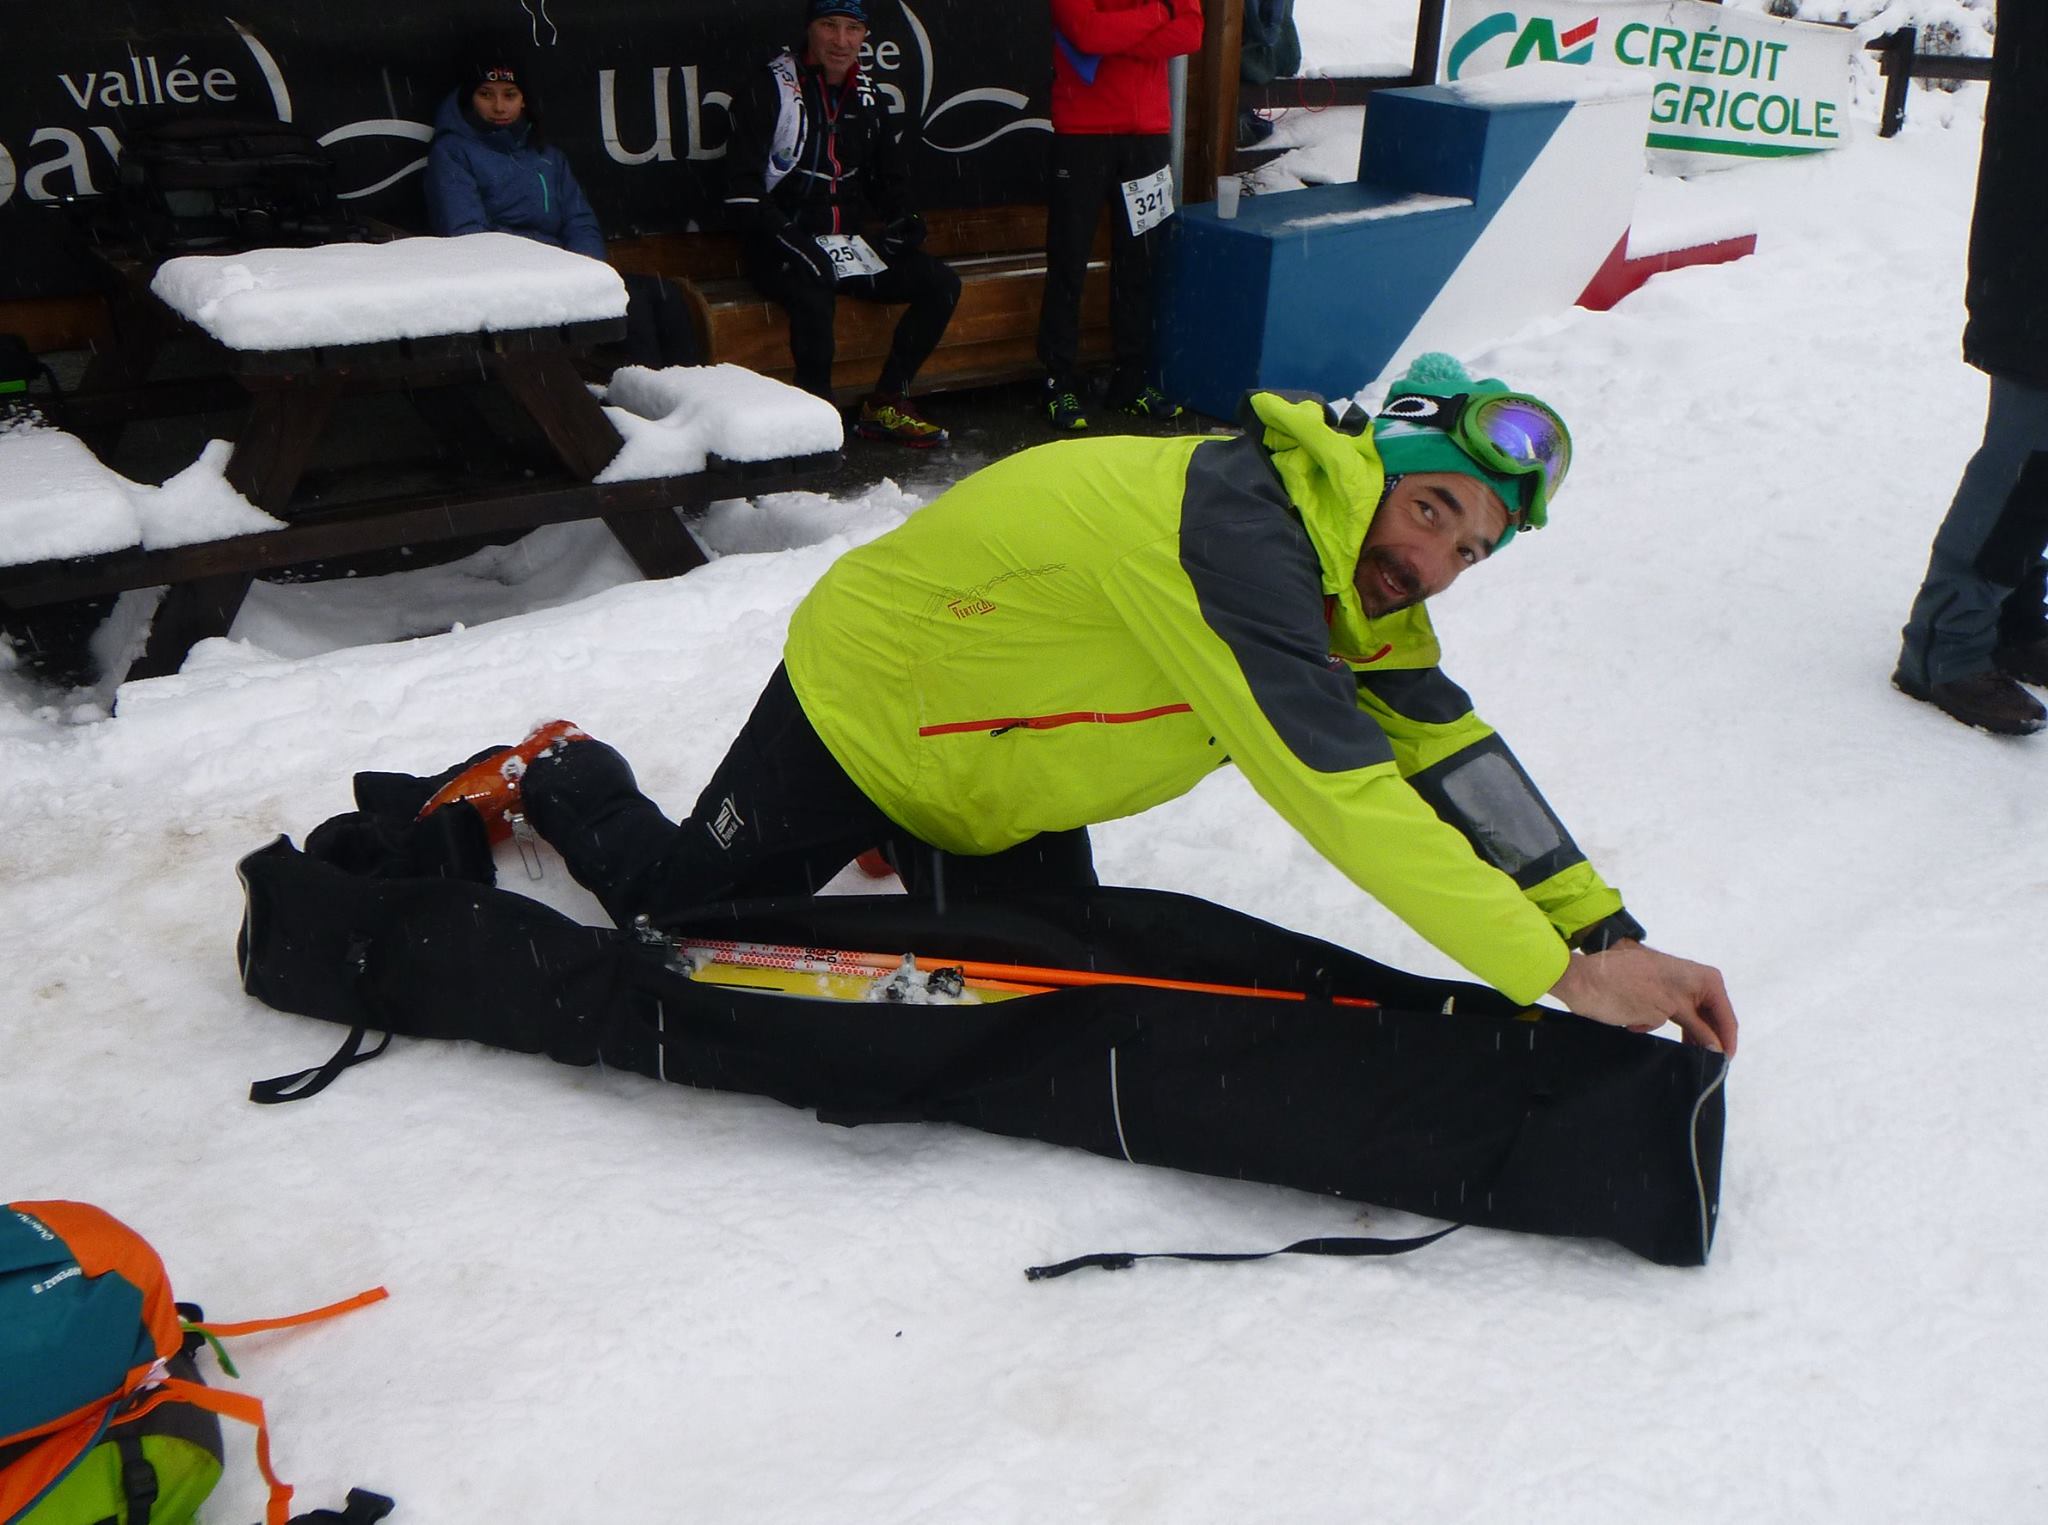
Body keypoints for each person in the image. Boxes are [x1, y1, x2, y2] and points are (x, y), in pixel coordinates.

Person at [421, 352, 1739, 1054]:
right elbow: (1343, 790)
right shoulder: (1244, 535)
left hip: (995, 770)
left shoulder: (1362, 589)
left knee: (1033, 986)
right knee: (679, 926)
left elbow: (1456, 763)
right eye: (1435, 505)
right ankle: (559, 769)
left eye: (1471, 548)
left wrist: (1608, 927)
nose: (1436, 557)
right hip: (871, 703)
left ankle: (911, 844)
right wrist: (1558, 976)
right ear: (1377, 462)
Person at [1893, 0, 2048, 736]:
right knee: (2026, 460)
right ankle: (1944, 646)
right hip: (2036, 271)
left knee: (2041, 466)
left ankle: (2012, 620)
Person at [722, 0, 959, 448]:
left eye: (853, 28)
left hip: (842, 245)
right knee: (814, 292)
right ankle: (817, 423)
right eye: (830, 26)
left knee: (941, 283)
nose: (841, 40)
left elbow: (888, 177)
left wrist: (904, 217)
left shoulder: (867, 93)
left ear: (866, 35)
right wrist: (796, 242)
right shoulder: (770, 86)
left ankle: (885, 402)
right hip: (778, 246)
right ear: (810, 28)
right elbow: (742, 194)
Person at [424, 54, 699, 371]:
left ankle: (688, 390)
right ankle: (642, 398)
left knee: (665, 295)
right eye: (486, 94)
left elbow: (579, 220)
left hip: (564, 275)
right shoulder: (452, 152)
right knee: (633, 307)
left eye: (509, 95)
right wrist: (550, 265)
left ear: (524, 100)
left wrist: (587, 274)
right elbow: (468, 235)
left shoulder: (545, 153)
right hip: (507, 284)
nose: (499, 107)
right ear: (469, 98)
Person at [1036, 0, 1205, 432]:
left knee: (1141, 264)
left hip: (1147, 133)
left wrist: (1119, 37)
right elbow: (1087, 34)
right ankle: (1058, 381)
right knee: (1068, 261)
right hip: (1082, 133)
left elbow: (1191, 33)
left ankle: (1130, 383)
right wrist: (1154, 17)